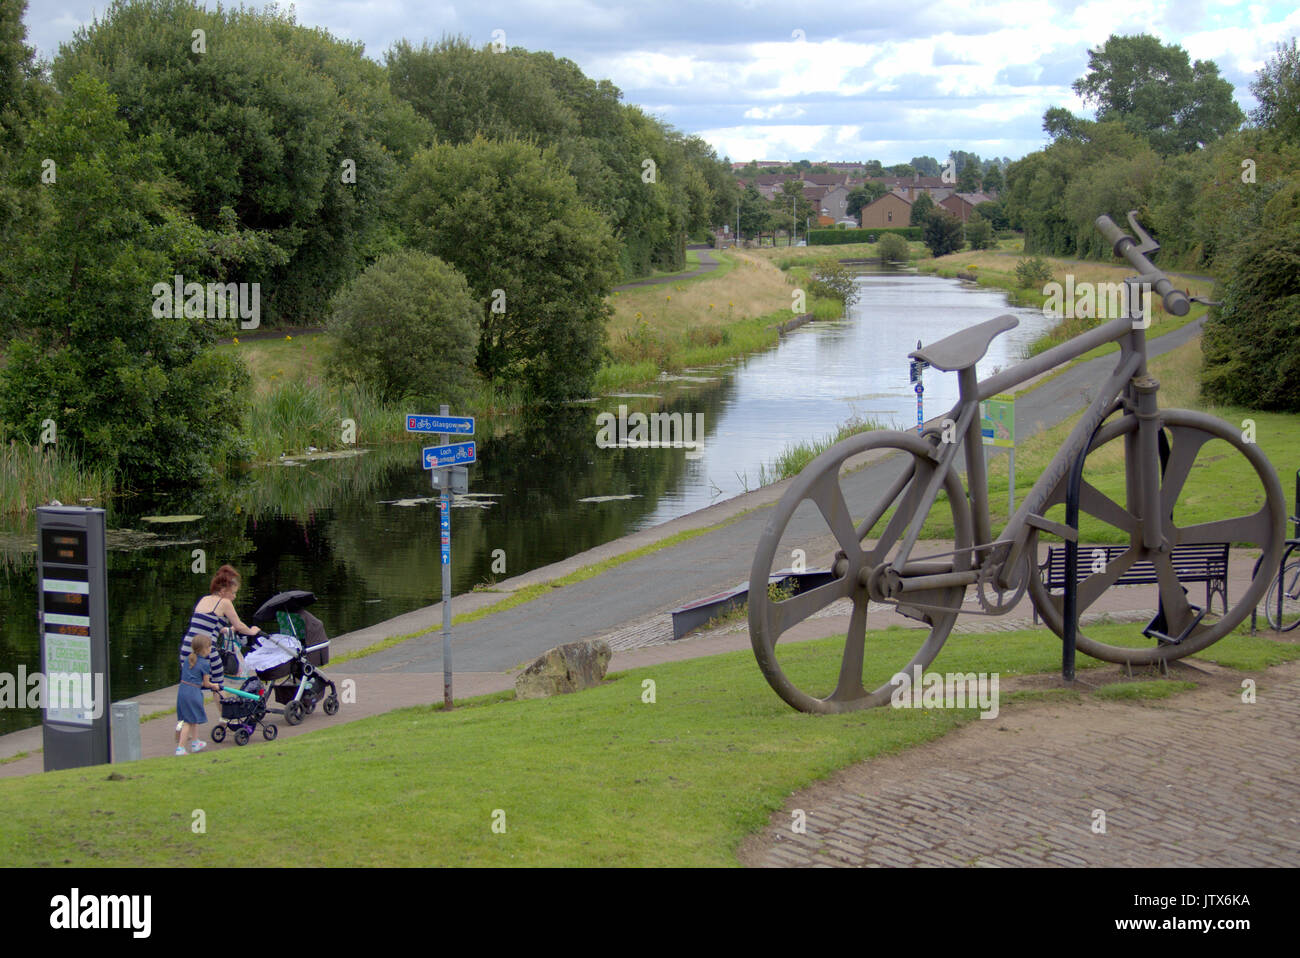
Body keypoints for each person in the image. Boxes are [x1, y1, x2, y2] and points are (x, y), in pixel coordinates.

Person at [177, 565, 263, 747]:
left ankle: (182, 725)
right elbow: (239, 626)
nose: (234, 597)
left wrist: (225, 630)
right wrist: (253, 631)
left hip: (187, 648)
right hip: (205, 651)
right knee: (217, 686)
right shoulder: (224, 603)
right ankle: (226, 719)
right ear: (223, 591)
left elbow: (207, 625)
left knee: (191, 686)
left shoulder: (203, 600)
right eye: (233, 593)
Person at [177, 634, 222, 754]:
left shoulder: (189, 659)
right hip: (193, 692)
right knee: (188, 721)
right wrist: (214, 685)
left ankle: (195, 742)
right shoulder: (205, 664)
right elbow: (206, 684)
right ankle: (181, 748)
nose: (210, 649)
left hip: (182, 691)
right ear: (204, 649)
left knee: (193, 718)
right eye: (209, 647)